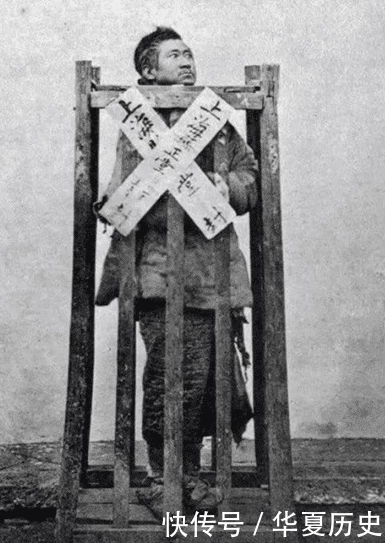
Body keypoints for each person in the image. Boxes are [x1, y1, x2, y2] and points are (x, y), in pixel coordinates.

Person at [94, 26, 258, 520]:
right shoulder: (137, 125)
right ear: (148, 70)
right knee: (173, 378)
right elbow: (121, 194)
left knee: (204, 383)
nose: (186, 61)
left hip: (211, 275)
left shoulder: (217, 123)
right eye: (173, 55)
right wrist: (120, 201)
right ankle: (160, 478)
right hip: (157, 273)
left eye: (188, 53)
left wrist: (224, 185)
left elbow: (251, 179)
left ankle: (185, 475)